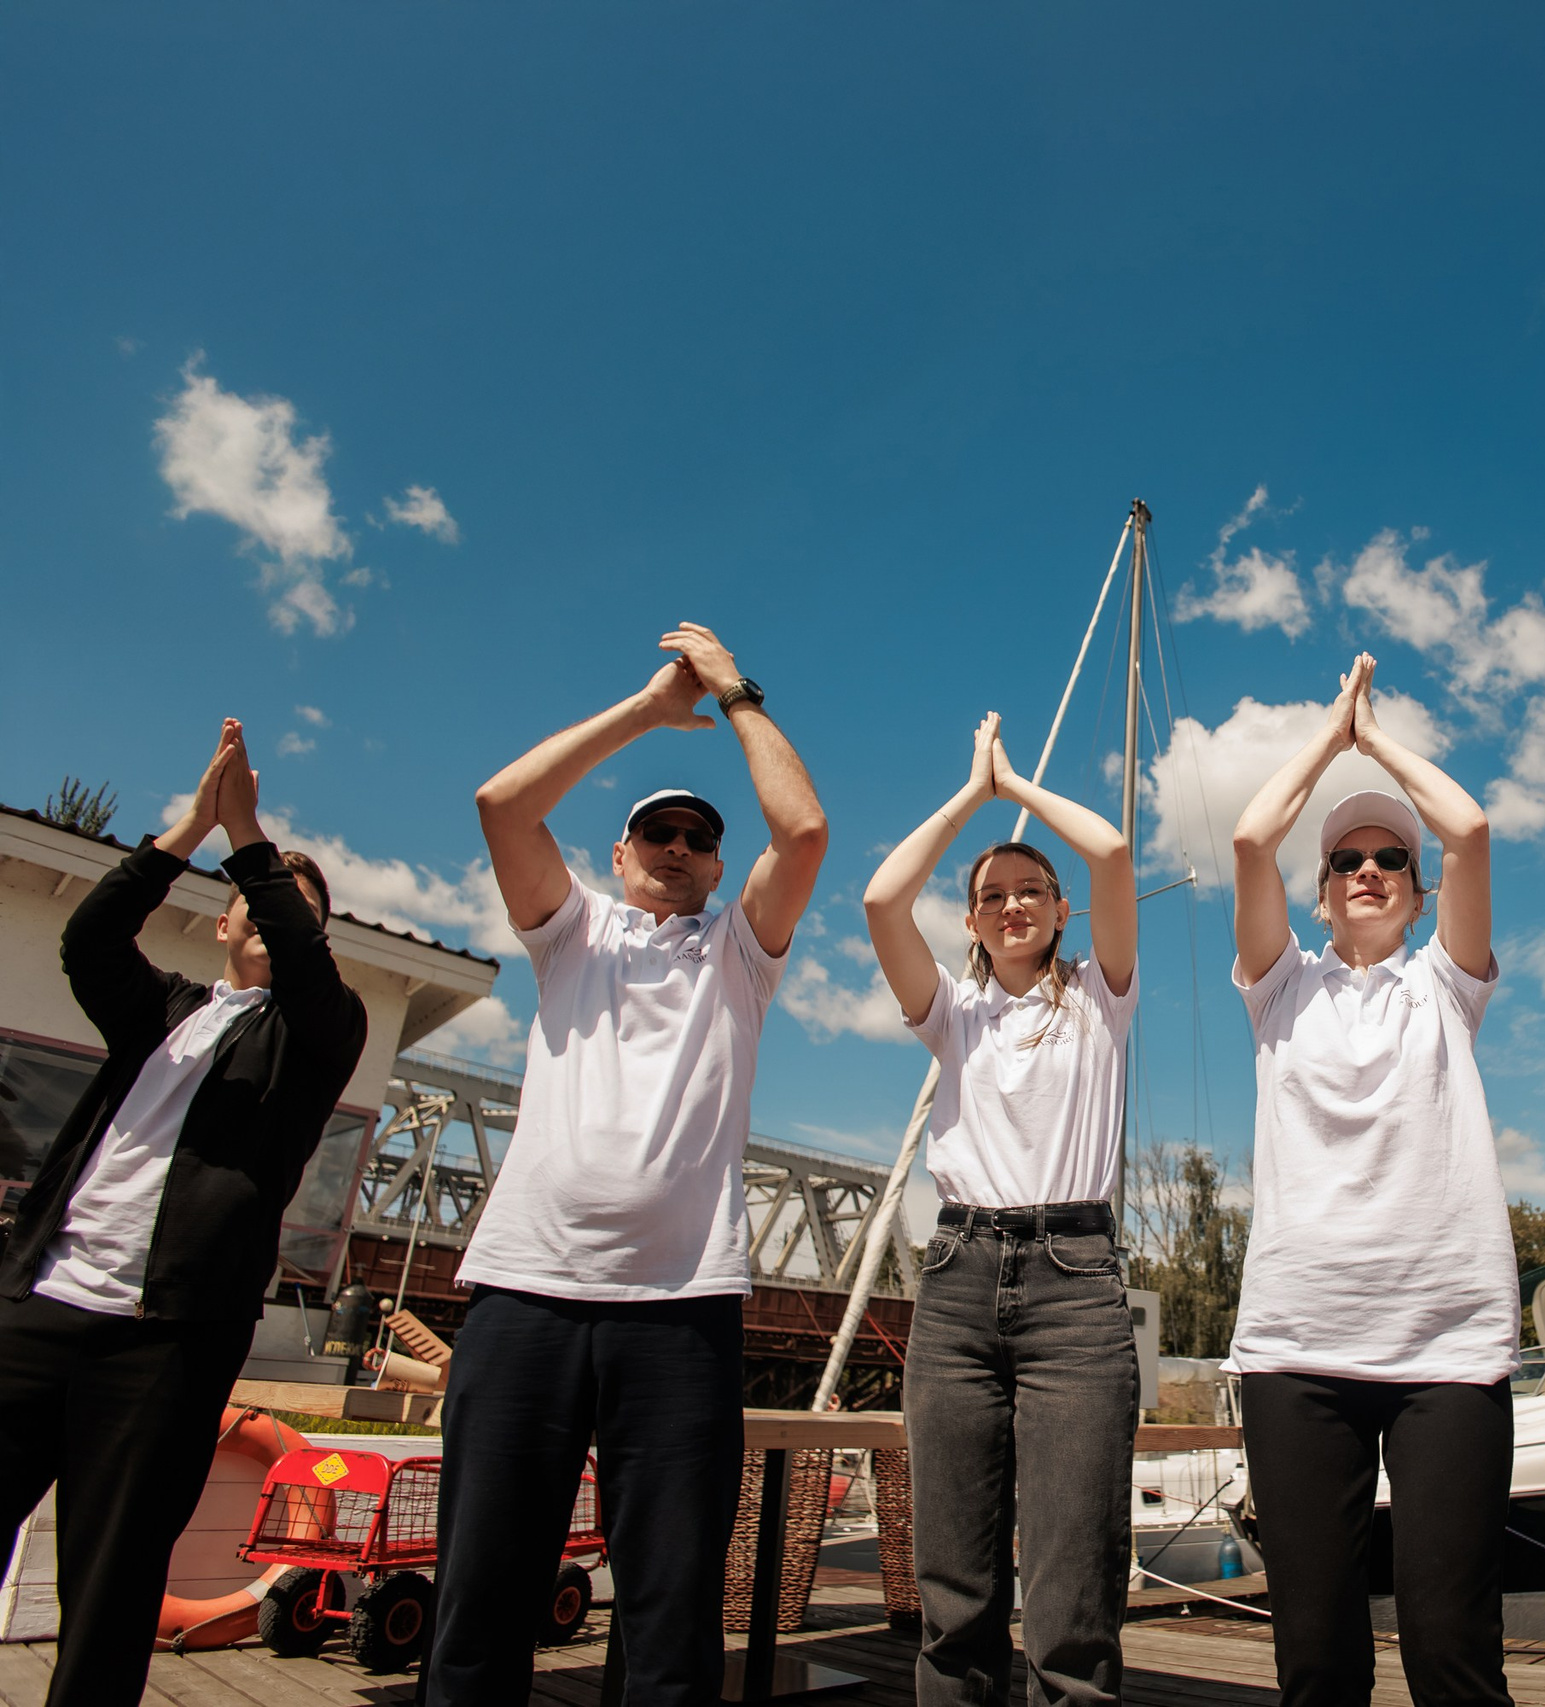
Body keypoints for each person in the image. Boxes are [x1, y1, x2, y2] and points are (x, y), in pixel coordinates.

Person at [424, 623, 826, 1707]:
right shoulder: (572, 936)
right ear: (615, 856)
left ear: (717, 864)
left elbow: (806, 830)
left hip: (680, 1310)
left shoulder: (739, 957)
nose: (678, 849)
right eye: (656, 834)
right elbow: (502, 805)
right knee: (480, 1597)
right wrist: (650, 713)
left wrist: (736, 693)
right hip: (524, 1296)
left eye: (698, 839)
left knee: (670, 1611)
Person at [0, 719, 366, 1707]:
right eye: (255, 896)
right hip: (40, 1306)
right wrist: (193, 826)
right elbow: (87, 937)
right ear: (219, 918)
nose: (277, 910)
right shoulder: (160, 1008)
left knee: (110, 1588)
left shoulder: (315, 1034)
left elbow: (299, 950)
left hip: (165, 1342)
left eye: (298, 905)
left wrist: (248, 835)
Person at [1226, 654, 1516, 1707]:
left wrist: (1377, 740)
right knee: (1317, 1658)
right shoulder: (1279, 989)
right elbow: (1251, 837)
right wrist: (1329, 733)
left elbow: (1472, 828)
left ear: (1415, 884)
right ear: (1319, 889)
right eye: (1346, 857)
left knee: (1450, 1651)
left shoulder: (1447, 983)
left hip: (1448, 1349)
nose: (1368, 870)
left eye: (1390, 856)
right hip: (1299, 1350)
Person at [862, 711, 1140, 1706]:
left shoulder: (1103, 999)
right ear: (971, 922)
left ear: (1061, 911)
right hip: (959, 1283)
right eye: (991, 897)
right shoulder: (954, 1014)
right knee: (955, 1586)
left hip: (1074, 1286)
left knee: (1073, 1590)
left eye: (1030, 892)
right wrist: (967, 798)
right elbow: (880, 896)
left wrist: (1015, 787)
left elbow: (1109, 848)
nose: (1012, 905)